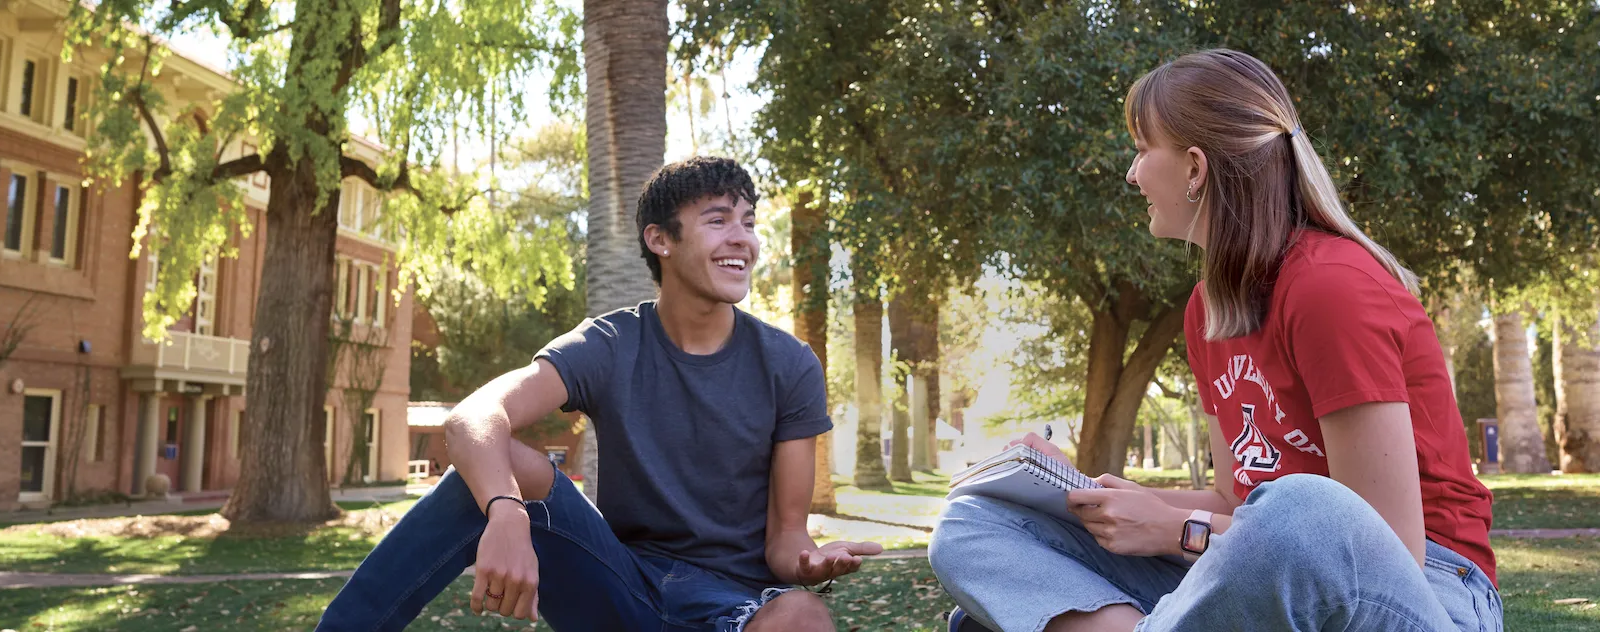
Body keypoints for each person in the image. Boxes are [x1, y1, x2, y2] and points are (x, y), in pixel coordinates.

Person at [932, 49, 1501, 632]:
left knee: (1301, 506)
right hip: (1256, 562)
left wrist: (1173, 529)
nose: (1132, 174)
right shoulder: (1208, 311)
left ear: (1195, 168)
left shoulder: (1332, 287)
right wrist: (1091, 492)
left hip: (1427, 589)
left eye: (1142, 148)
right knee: (975, 522)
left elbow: (1380, 544)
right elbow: (1236, 502)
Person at [318, 157, 880, 632]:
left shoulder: (789, 365)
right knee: (500, 467)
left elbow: (786, 536)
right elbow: (473, 418)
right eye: (718, 220)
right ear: (659, 239)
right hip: (619, 586)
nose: (743, 239)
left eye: (749, 222)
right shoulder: (611, 344)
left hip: (735, 605)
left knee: (804, 617)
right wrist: (508, 514)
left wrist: (807, 564)